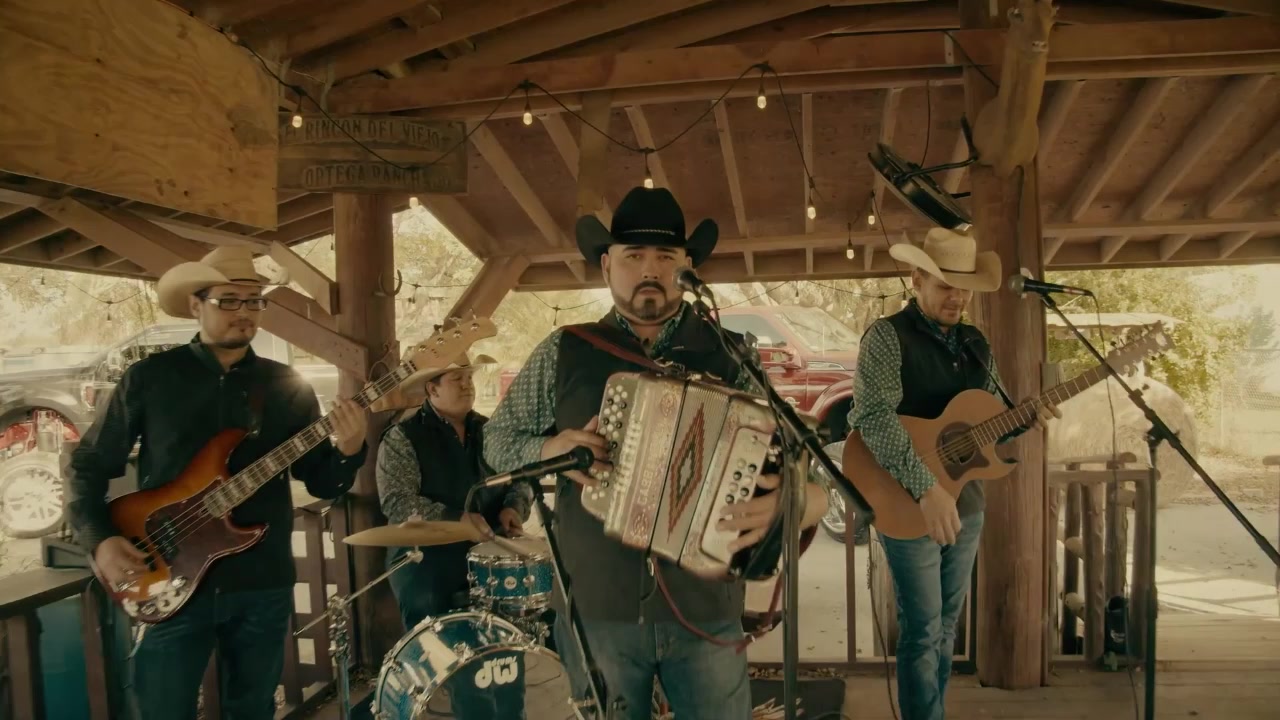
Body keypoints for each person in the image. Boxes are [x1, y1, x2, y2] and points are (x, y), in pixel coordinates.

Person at [483, 186, 830, 720]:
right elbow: (498, 440)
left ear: (687, 267)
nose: (650, 269)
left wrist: (795, 498)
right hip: (596, 606)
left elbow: (801, 463)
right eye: (633, 256)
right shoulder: (563, 349)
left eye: (666, 256)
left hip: (706, 609)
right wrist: (551, 446)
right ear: (607, 266)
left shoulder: (733, 353)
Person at [67, 246, 369, 720]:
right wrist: (99, 540)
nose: (244, 312)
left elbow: (321, 482)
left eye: (254, 301)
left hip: (261, 582)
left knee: (252, 710)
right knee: (163, 710)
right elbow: (87, 464)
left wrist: (349, 450)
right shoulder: (149, 378)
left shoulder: (287, 385)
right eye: (229, 300)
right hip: (166, 575)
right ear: (196, 304)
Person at [847, 228, 1060, 720]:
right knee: (922, 628)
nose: (958, 297)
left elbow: (993, 417)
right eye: (946, 284)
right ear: (917, 279)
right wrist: (926, 489)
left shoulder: (975, 342)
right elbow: (873, 417)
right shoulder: (887, 336)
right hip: (906, 500)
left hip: (965, 501)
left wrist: (1027, 416)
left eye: (965, 287)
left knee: (945, 626)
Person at [376, 351, 534, 718]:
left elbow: (521, 479)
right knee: (461, 669)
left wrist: (514, 507)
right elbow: (397, 501)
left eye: (469, 378)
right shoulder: (403, 437)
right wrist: (454, 518)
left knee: (505, 660)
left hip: (490, 562)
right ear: (431, 389)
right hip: (426, 563)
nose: (467, 385)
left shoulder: (491, 430)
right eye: (456, 379)